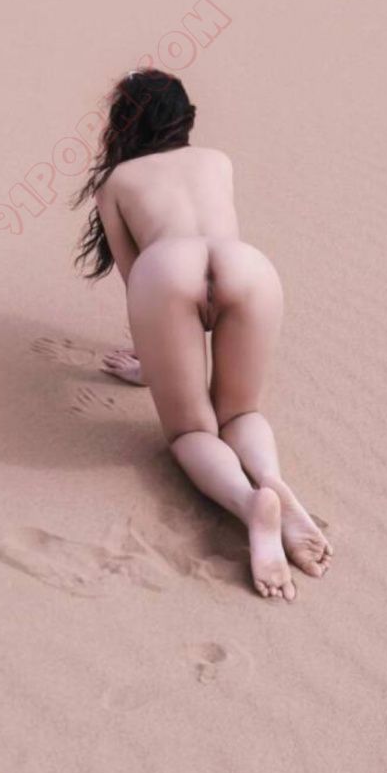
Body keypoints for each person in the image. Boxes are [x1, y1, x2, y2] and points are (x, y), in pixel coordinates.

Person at [71, 68, 333, 601]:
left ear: (123, 124)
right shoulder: (218, 161)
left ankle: (249, 504)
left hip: (167, 269)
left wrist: (152, 366)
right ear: (184, 118)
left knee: (192, 430)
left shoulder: (115, 184)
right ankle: (275, 484)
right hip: (246, 267)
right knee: (240, 412)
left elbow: (137, 281)